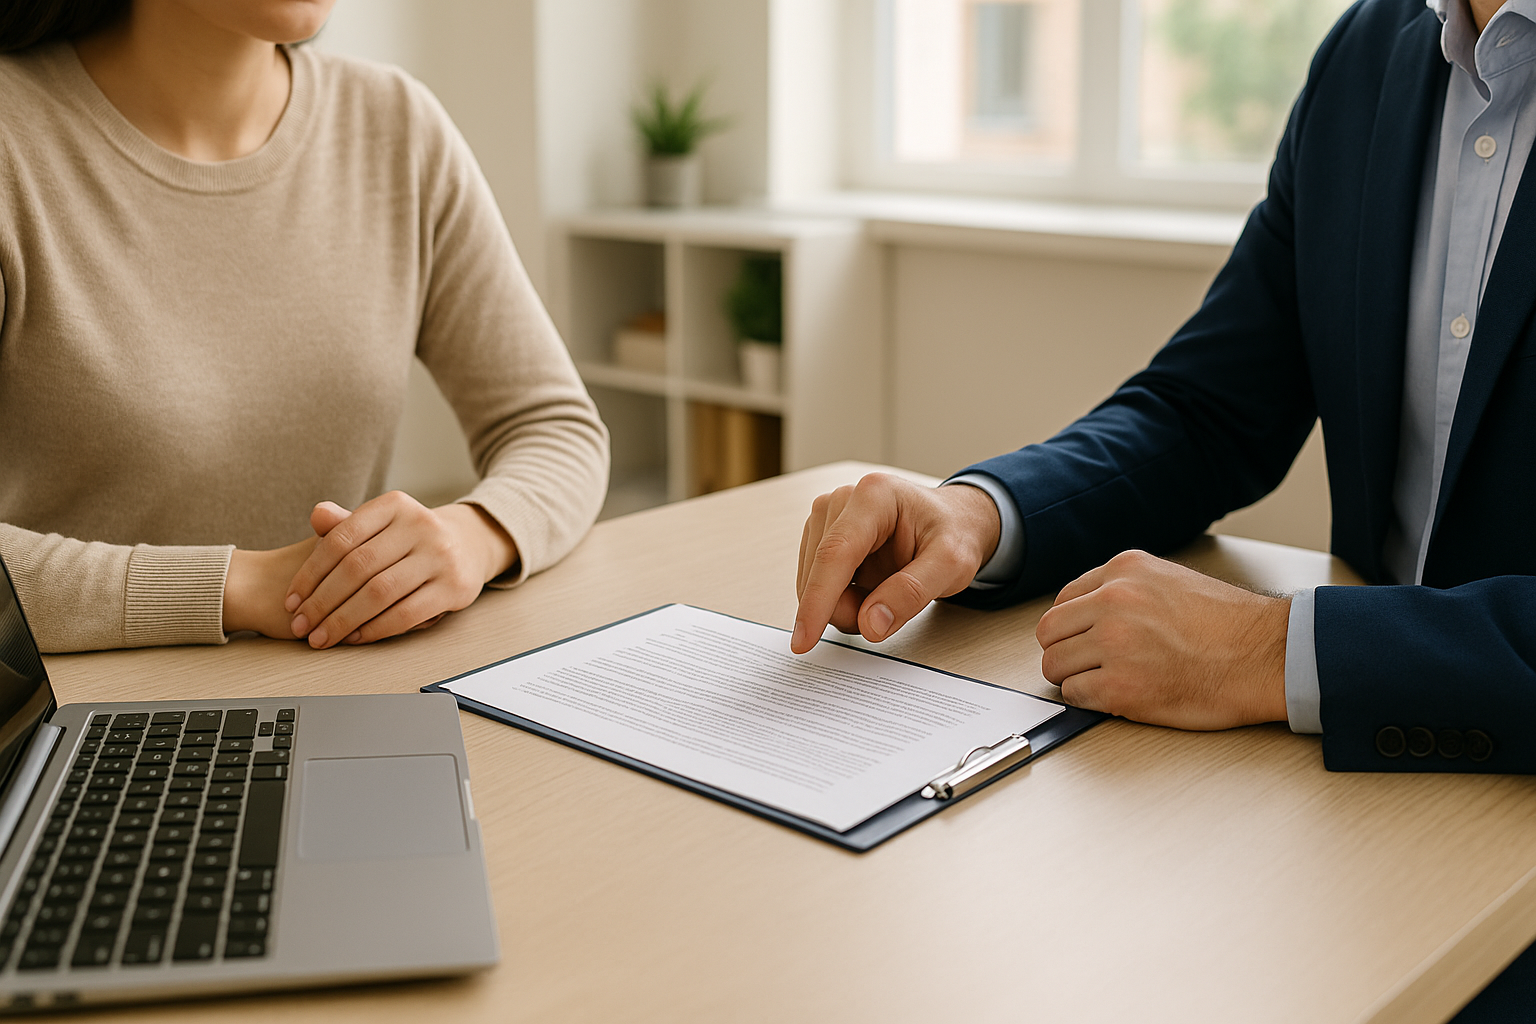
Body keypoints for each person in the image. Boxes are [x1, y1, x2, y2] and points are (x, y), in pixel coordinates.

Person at [793, 0, 1536, 1014]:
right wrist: (982, 512)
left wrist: (1268, 650)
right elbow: (1210, 409)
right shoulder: (1371, 54)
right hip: (1371, 829)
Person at [0, 0, 609, 654]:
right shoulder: (15, 136)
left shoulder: (395, 125)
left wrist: (475, 534)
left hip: (342, 688)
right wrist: (240, 586)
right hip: (70, 715)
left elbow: (553, 426)